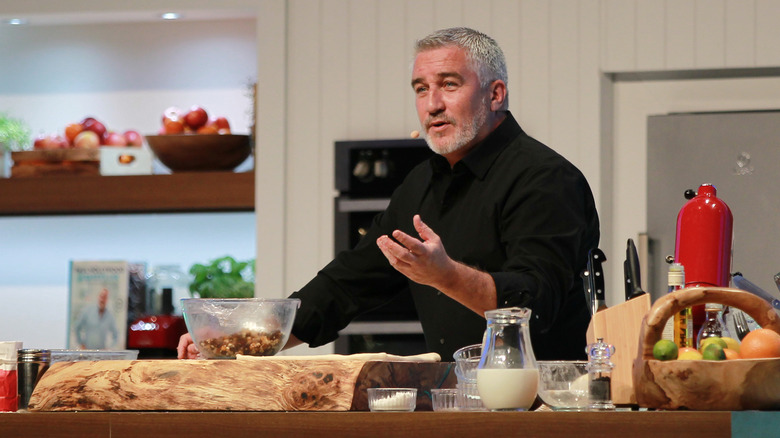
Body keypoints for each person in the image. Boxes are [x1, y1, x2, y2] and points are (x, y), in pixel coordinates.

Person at [179, 27, 599, 361]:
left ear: (495, 94)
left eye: (449, 85)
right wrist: (235, 341)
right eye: (420, 88)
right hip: (456, 401)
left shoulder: (545, 178)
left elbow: (535, 307)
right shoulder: (421, 183)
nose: (432, 104)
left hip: (545, 407)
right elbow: (348, 284)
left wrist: (445, 275)